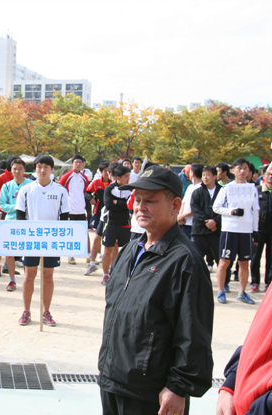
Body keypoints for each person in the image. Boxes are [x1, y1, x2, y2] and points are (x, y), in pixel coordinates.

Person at [98, 165, 214, 415]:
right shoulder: (130, 250)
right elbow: (114, 310)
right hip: (112, 379)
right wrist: (104, 362)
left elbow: (193, 330)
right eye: (137, 199)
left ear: (175, 206)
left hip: (151, 391)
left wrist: (178, 386)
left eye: (150, 200)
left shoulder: (185, 261)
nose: (140, 206)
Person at [15, 155, 69, 327]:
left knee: (48, 275)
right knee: (29, 274)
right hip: (31, 238)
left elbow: (65, 216)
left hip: (51, 239)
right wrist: (27, 235)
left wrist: (58, 236)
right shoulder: (26, 189)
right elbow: (20, 214)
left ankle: (46, 311)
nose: (42, 170)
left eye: (46, 167)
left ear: (52, 169)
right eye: (39, 167)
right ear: (35, 169)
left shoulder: (60, 190)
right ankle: (26, 311)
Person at [213, 157, 260, 304]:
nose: (242, 171)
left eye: (245, 168)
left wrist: (255, 230)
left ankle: (242, 292)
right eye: (239, 168)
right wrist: (232, 212)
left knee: (244, 262)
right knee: (224, 262)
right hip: (230, 230)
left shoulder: (252, 188)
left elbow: (255, 210)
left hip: (246, 231)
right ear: (233, 170)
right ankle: (221, 291)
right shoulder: (227, 188)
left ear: (249, 171)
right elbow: (216, 207)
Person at [0, 158, 32, 291]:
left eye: (20, 169)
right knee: (10, 253)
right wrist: (17, 207)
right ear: (11, 170)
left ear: (24, 170)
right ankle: (12, 280)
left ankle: (27, 280)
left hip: (27, 222)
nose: (17, 171)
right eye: (15, 169)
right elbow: (1, 205)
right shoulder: (6, 186)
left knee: (27, 253)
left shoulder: (31, 184)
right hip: (10, 222)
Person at [101, 165, 131, 285]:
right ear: (118, 177)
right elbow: (109, 205)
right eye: (126, 176)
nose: (128, 178)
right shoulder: (109, 189)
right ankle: (106, 274)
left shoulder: (131, 189)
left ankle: (116, 272)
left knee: (122, 250)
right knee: (108, 249)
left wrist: (117, 202)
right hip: (111, 223)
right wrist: (122, 204)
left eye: (129, 176)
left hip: (125, 224)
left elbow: (130, 205)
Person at [190, 165, 222, 273]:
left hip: (216, 231)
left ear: (215, 176)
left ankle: (224, 283)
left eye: (208, 175)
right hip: (199, 230)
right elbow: (195, 210)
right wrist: (207, 222)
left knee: (221, 260)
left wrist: (215, 222)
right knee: (195, 259)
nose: (205, 177)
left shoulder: (222, 192)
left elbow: (225, 210)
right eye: (204, 175)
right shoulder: (197, 192)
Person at [59, 154, 90, 265]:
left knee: (84, 232)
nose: (78, 164)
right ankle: (71, 255)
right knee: (71, 233)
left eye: (80, 162)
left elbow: (85, 192)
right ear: (72, 164)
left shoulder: (84, 178)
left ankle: (89, 255)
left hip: (81, 209)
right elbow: (60, 191)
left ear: (82, 164)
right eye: (76, 162)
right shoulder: (66, 177)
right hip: (70, 209)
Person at [85, 161, 110, 275]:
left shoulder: (113, 183)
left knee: (108, 237)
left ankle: (108, 263)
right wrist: (91, 199)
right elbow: (87, 192)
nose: (107, 173)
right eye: (105, 171)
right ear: (101, 172)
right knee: (97, 235)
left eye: (109, 171)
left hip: (110, 214)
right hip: (99, 212)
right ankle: (97, 256)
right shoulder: (96, 182)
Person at [251, 165, 272, 292]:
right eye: (268, 175)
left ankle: (268, 282)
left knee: (270, 258)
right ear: (263, 176)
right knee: (255, 258)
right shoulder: (256, 190)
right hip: (259, 231)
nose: (270, 177)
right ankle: (255, 281)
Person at [177, 163, 203, 239]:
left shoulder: (201, 188)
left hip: (192, 223)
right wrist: (180, 215)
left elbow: (197, 207)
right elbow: (183, 202)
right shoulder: (190, 187)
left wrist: (183, 216)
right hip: (183, 222)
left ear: (193, 173)